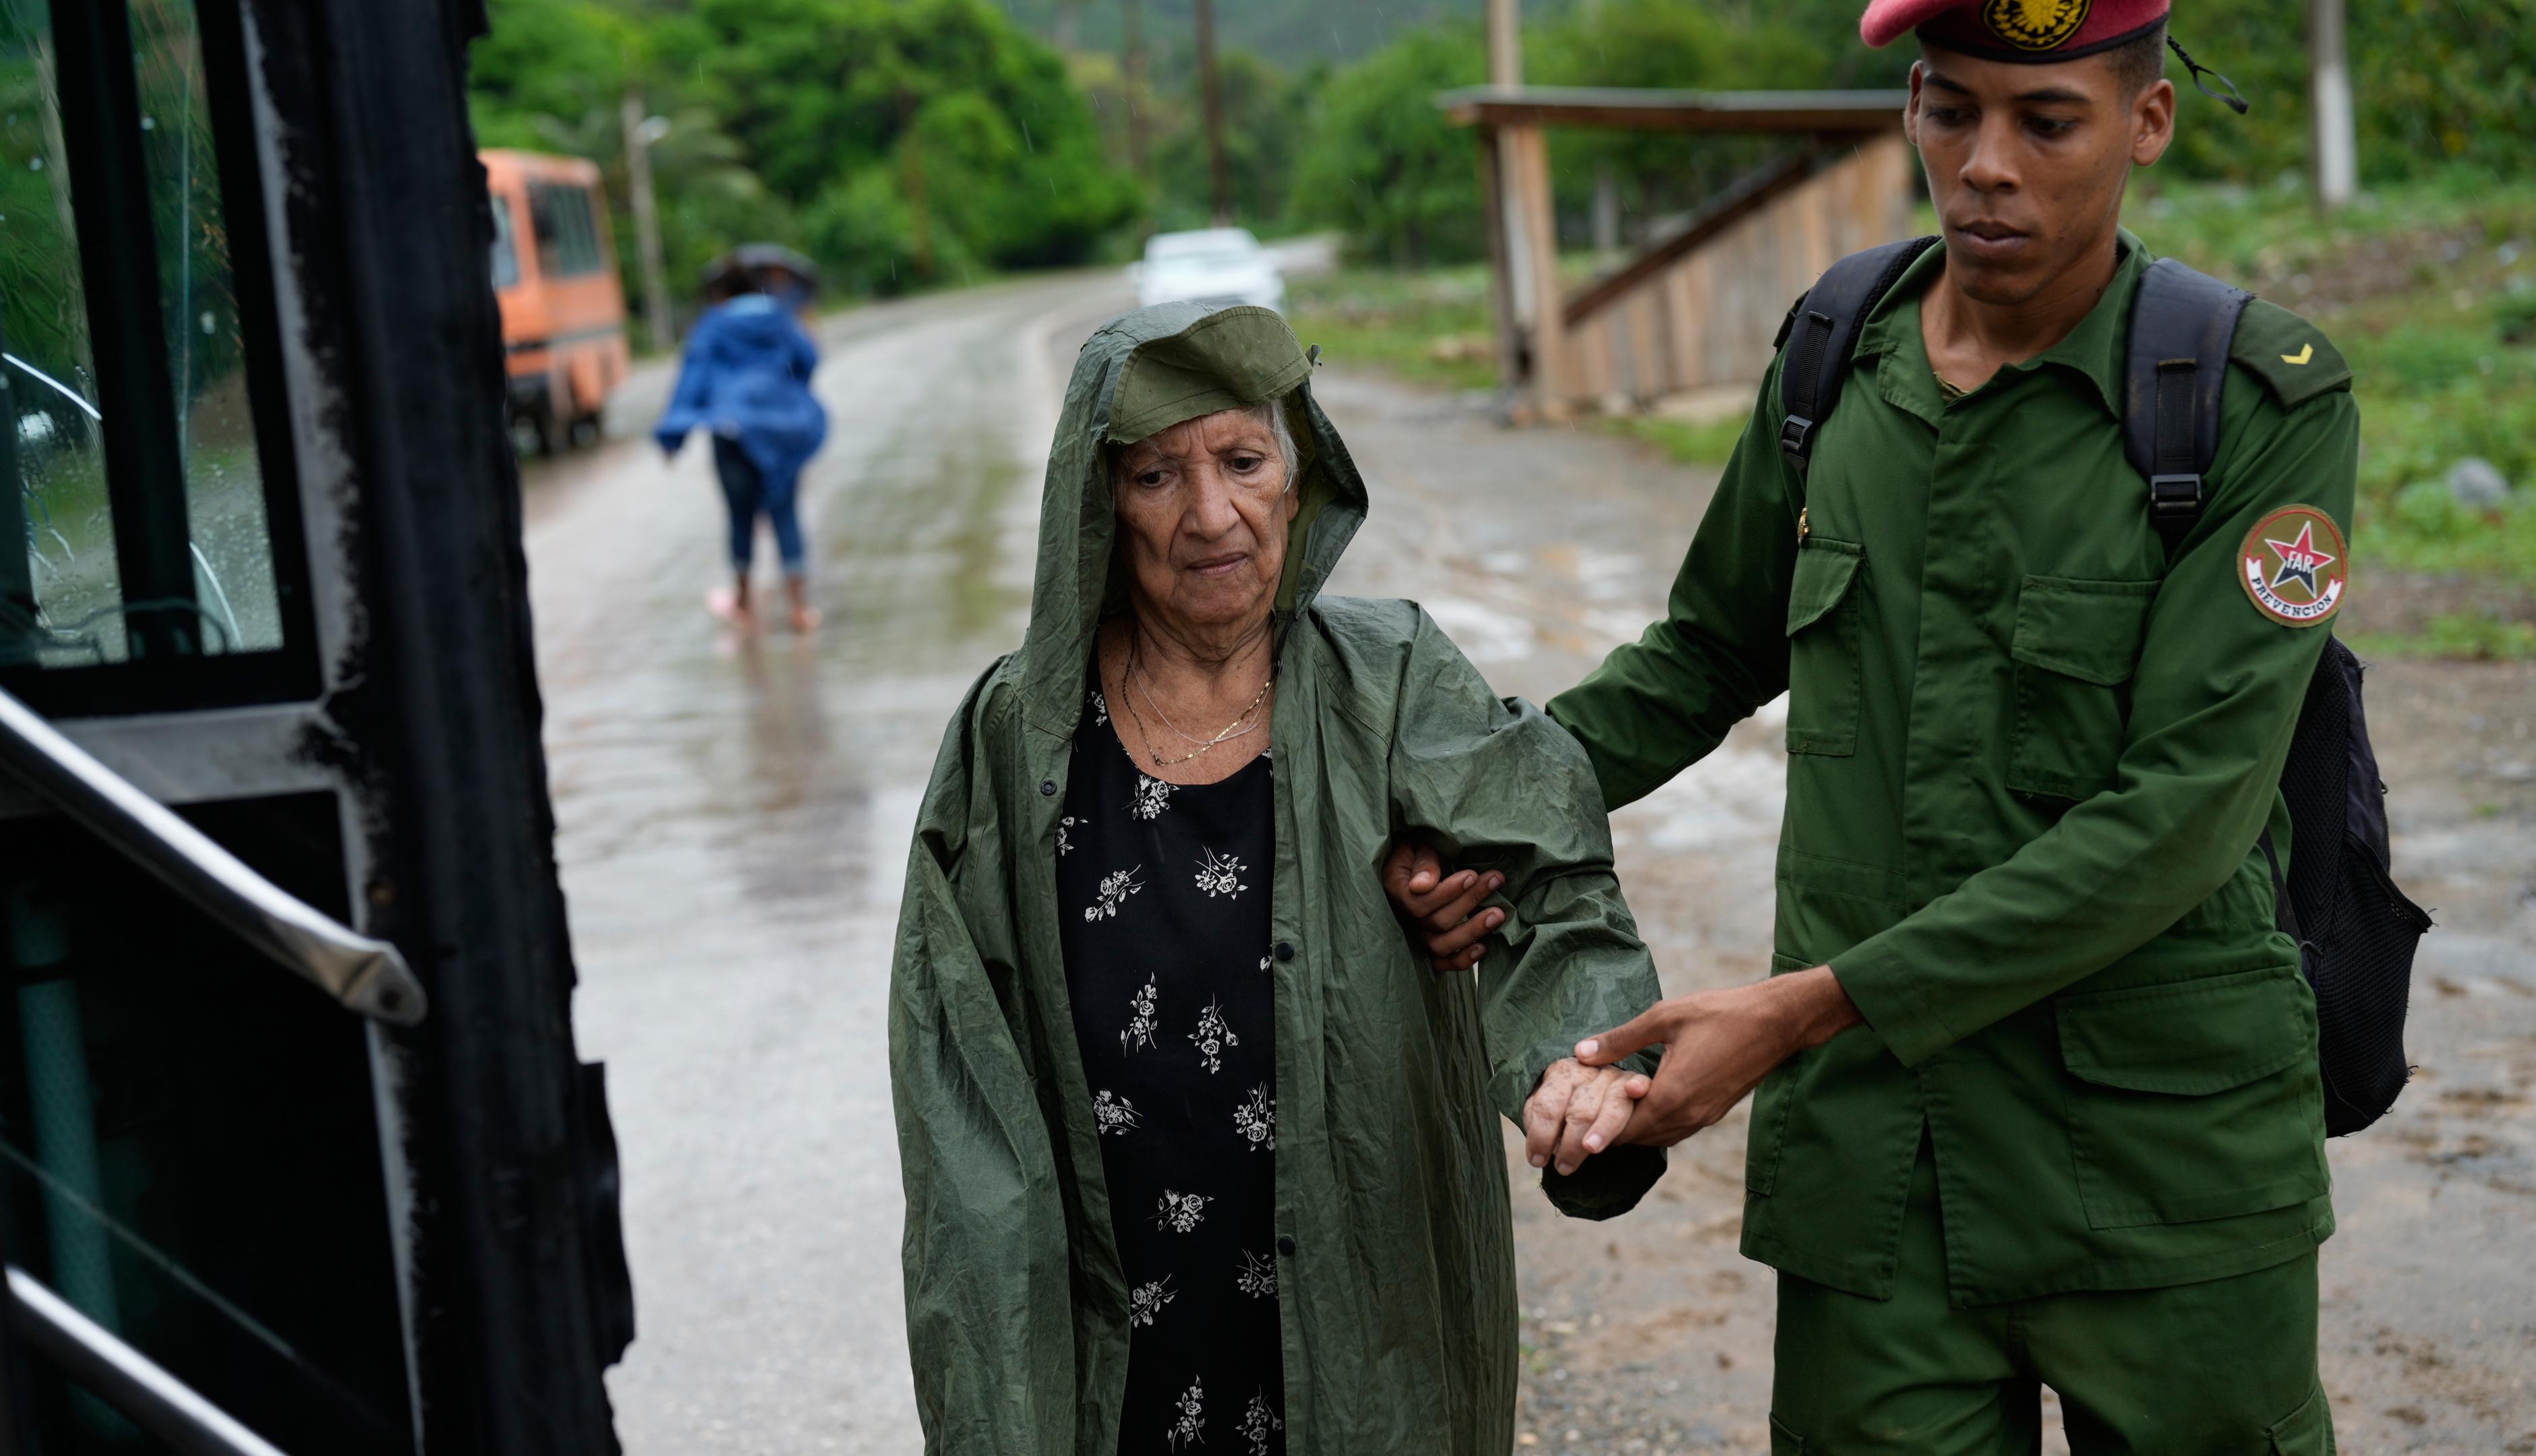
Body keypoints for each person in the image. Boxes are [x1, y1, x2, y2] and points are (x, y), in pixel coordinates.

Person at [1388, 1, 2355, 1449]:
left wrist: (1795, 1012)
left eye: (2047, 120)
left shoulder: (2252, 401)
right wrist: (1462, 825)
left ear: (2145, 125)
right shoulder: (1839, 357)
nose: (1986, 166)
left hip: (2168, 1171)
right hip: (1879, 1171)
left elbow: (2186, 816)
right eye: (1951, 109)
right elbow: (1705, 653)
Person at [891, 303, 1667, 1453]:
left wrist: (1585, 1070)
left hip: (1363, 1302)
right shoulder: (1016, 740)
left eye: (1244, 462)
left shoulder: (1392, 679)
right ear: (1101, 505)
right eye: (1157, 474)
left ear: (1299, 485)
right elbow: (957, 1087)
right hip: (1115, 1326)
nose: (1212, 516)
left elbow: (1549, 880)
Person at [654, 257, 829, 631]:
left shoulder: (713, 325)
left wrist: (673, 436)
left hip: (731, 430)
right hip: (782, 432)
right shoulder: (782, 318)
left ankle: (745, 604)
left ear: (720, 292)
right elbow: (809, 360)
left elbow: (693, 379)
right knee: (785, 512)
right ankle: (799, 608)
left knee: (740, 517)